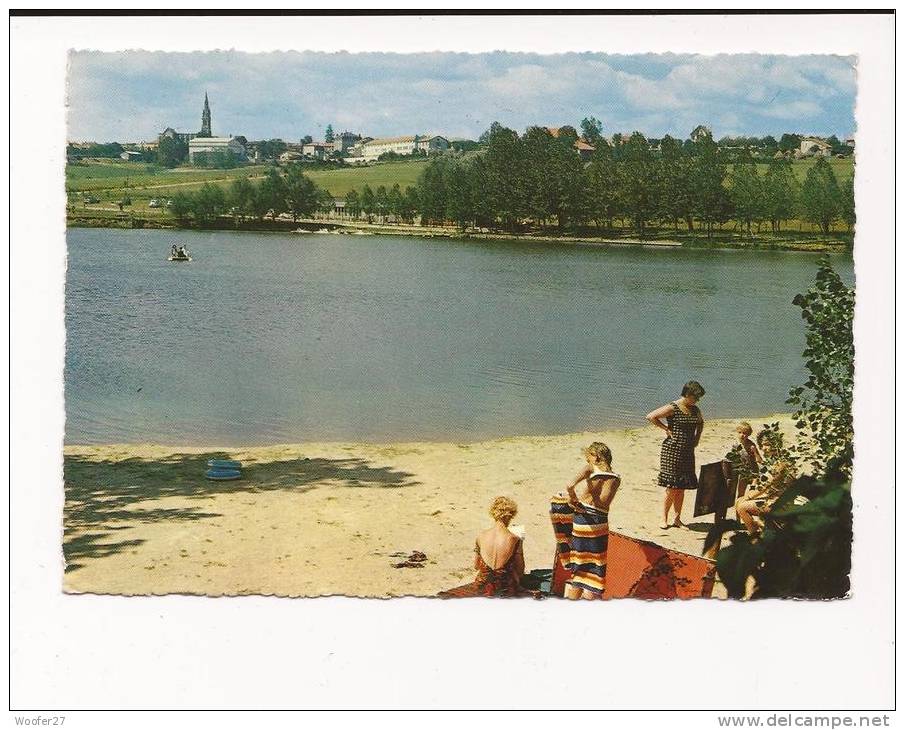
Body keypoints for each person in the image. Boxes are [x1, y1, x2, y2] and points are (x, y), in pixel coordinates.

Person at [559, 442, 621, 600]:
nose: (587, 461)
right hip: (600, 523)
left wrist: (573, 499)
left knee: (579, 569)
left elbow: (569, 485)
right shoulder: (616, 478)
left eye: (588, 457)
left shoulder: (590, 469)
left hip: (583, 520)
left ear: (596, 457)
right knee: (595, 567)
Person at [647, 381, 706, 530]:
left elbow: (700, 423)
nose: (697, 400)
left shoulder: (695, 409)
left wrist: (697, 438)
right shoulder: (673, 407)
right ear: (687, 395)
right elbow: (651, 416)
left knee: (682, 487)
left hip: (687, 452)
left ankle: (677, 519)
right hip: (672, 451)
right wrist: (666, 429)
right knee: (672, 487)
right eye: (695, 397)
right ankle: (664, 518)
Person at [442, 496, 525, 598]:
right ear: (510, 515)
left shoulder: (481, 536)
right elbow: (520, 571)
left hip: (482, 586)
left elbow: (476, 566)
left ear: (493, 514)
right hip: (505, 587)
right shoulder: (514, 538)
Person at [735, 429, 796, 536]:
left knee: (742, 507)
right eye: (762, 445)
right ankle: (763, 530)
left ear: (775, 444)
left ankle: (755, 537)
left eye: (767, 445)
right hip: (775, 497)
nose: (764, 449)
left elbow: (766, 485)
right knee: (740, 500)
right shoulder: (777, 459)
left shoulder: (780, 463)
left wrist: (748, 497)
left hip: (780, 503)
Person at [724, 422, 763, 499]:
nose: (742, 435)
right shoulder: (736, 445)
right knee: (741, 493)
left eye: (745, 433)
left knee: (753, 492)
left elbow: (760, 460)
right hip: (744, 472)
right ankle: (738, 506)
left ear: (749, 434)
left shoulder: (751, 445)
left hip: (753, 472)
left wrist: (755, 451)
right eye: (740, 432)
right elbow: (732, 458)